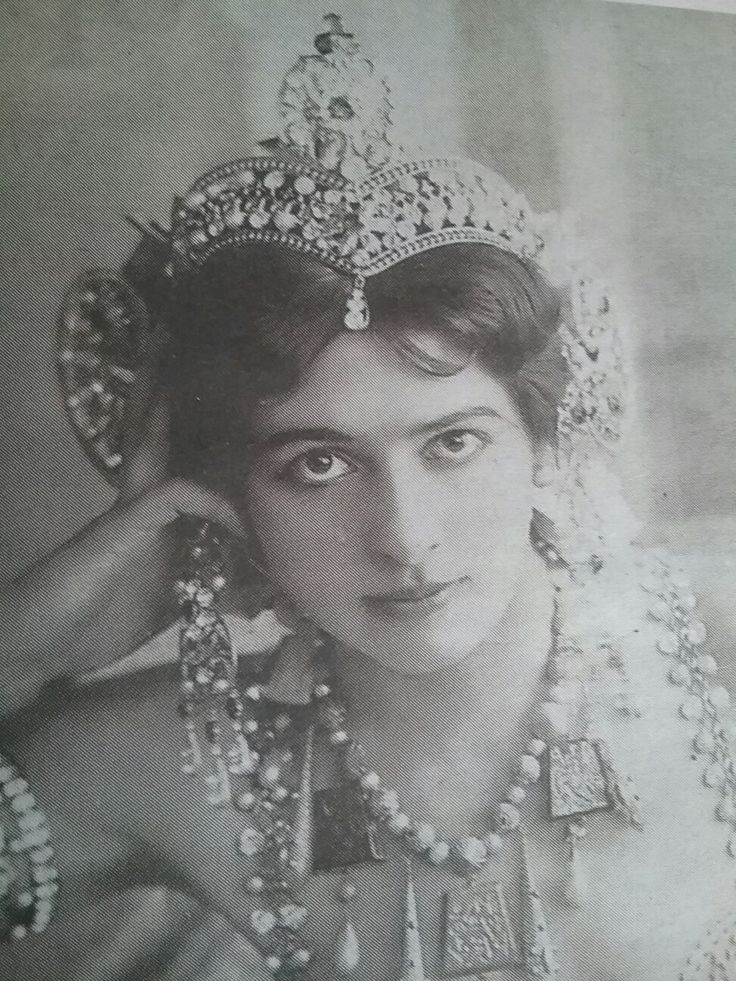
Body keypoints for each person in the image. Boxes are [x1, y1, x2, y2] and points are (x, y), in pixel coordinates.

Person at [1, 15, 734, 981]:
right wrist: (36, 640)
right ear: (224, 498)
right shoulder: (182, 763)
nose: (404, 536)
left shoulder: (711, 658)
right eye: (318, 463)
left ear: (544, 442)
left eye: (455, 442)